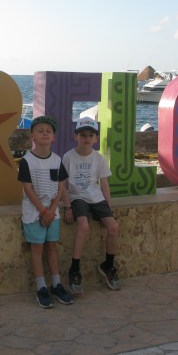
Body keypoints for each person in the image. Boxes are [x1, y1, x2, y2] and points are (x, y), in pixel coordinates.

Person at [18, 115, 74, 308]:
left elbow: (60, 187)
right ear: (32, 136)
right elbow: (28, 189)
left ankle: (56, 284)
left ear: (54, 137)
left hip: (53, 213)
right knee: (37, 248)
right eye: (40, 131)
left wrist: (52, 210)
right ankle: (41, 287)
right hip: (34, 213)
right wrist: (43, 211)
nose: (44, 134)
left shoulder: (57, 160)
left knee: (51, 246)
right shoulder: (27, 161)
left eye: (48, 131)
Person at [61, 116, 120, 294]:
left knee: (113, 227)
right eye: (82, 134)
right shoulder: (68, 157)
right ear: (75, 137)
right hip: (77, 197)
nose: (86, 138)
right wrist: (68, 207)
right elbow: (62, 184)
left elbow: (104, 184)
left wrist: (108, 206)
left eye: (90, 135)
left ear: (96, 138)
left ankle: (108, 265)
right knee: (84, 226)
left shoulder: (99, 158)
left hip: (96, 197)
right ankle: (75, 269)